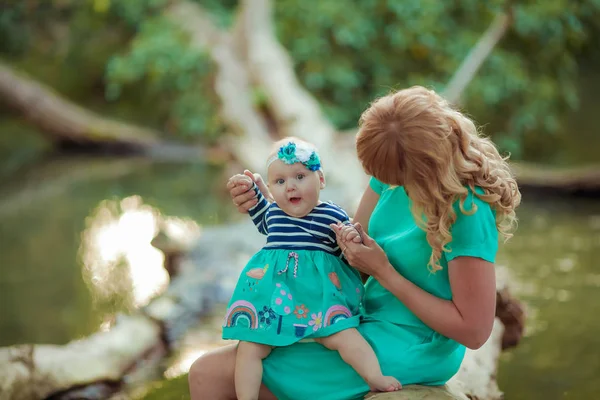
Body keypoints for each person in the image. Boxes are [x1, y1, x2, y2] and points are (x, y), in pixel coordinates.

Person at [188, 86, 521, 400]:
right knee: (224, 362)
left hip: (413, 344)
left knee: (210, 375)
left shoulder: (468, 211)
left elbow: (475, 331)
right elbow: (336, 247)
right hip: (357, 315)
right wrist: (267, 203)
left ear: (423, 166)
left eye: (395, 179)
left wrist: (384, 272)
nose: (387, 184)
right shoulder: (390, 172)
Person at [223, 138, 401, 400]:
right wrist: (248, 187)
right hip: (276, 300)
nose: (291, 186)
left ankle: (375, 377)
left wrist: (351, 237)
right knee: (249, 346)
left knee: (344, 336)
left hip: (319, 299)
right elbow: (257, 205)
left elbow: (346, 242)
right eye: (280, 182)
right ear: (271, 188)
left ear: (321, 180)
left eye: (300, 176)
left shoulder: (331, 215)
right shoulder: (272, 214)